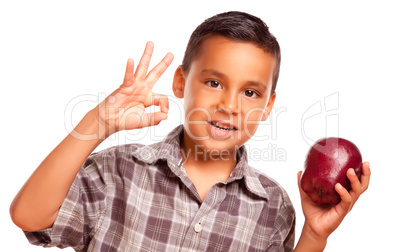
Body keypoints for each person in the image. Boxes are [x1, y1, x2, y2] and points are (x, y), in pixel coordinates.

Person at [10, 11, 370, 251]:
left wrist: (313, 235)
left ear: (268, 105)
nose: (229, 104)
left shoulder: (273, 207)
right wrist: (96, 125)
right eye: (214, 82)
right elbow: (29, 216)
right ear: (181, 81)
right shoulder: (119, 170)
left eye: (250, 92)